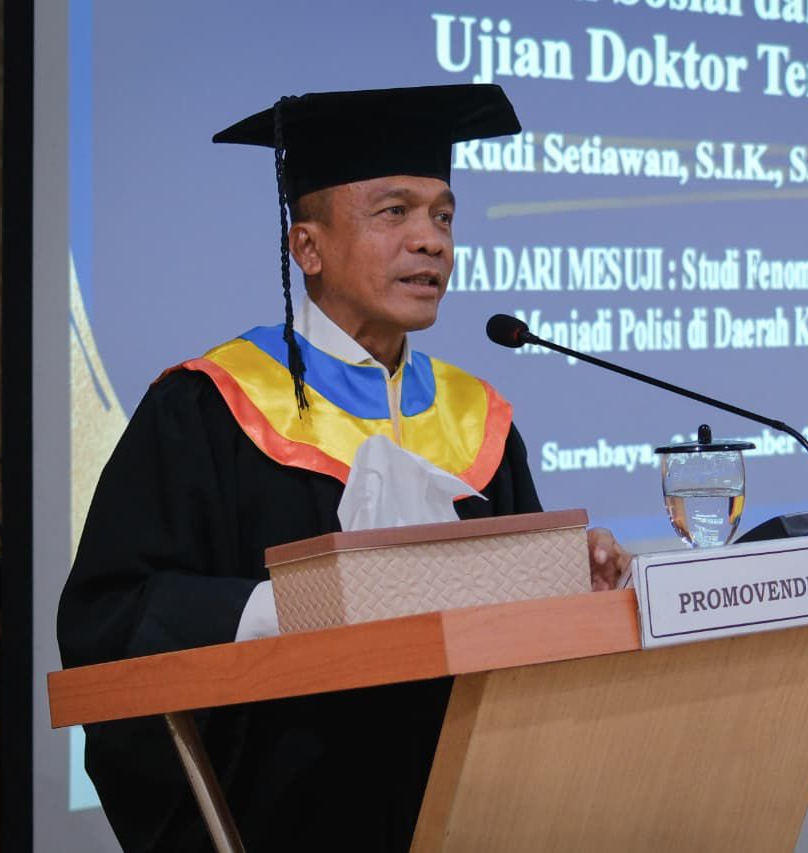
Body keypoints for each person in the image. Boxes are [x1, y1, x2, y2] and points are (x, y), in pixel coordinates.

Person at [58, 84, 630, 852]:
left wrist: (566, 575)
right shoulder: (208, 409)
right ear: (308, 248)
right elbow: (110, 618)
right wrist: (294, 607)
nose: (431, 241)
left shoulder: (477, 420)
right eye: (395, 212)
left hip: (470, 814)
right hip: (288, 819)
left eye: (443, 216)